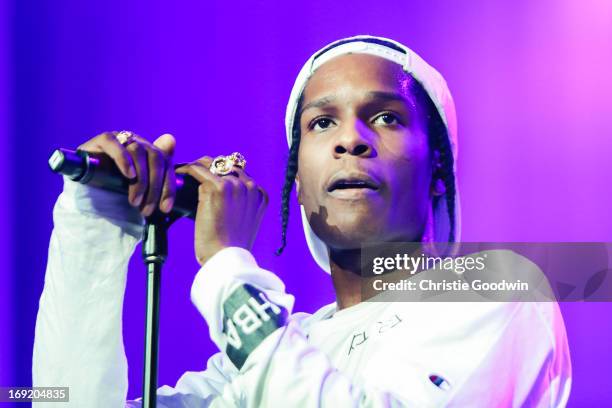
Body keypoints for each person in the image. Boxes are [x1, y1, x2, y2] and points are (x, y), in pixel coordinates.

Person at [33, 35, 571, 407]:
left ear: (438, 166)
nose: (350, 139)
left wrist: (225, 269)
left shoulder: (501, 292)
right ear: (298, 177)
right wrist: (91, 226)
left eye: (386, 116)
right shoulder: (281, 350)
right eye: (321, 123)